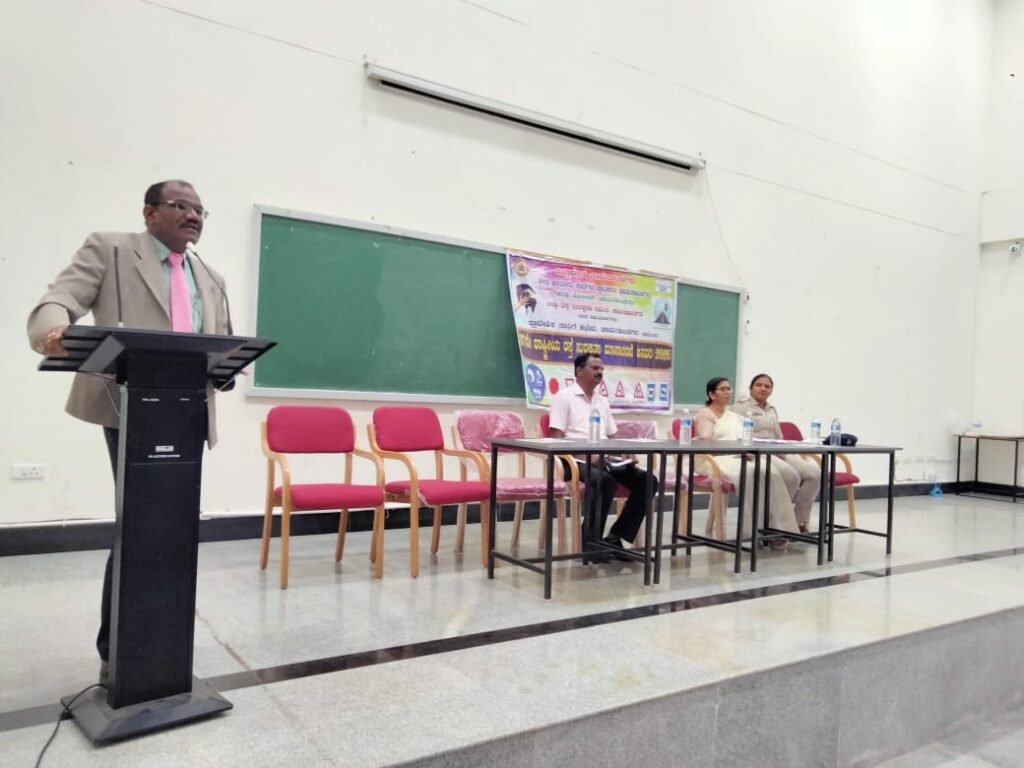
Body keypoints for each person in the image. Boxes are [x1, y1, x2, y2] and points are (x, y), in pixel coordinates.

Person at [26, 179, 232, 683]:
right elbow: (58, 300)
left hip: (188, 411)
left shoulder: (211, 275)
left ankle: (164, 646)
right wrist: (52, 330)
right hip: (129, 406)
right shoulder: (111, 249)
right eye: (180, 205)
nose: (193, 216)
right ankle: (118, 650)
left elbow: (223, 342)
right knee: (140, 522)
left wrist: (228, 366)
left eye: (200, 210)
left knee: (175, 526)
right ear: (149, 212)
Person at [548, 353, 657, 561]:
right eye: (595, 368)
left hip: (603, 459)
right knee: (604, 482)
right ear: (579, 371)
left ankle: (615, 537)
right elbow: (555, 440)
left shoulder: (602, 401)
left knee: (648, 480)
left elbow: (611, 436)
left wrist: (624, 453)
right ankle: (590, 544)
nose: (599, 372)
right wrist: (585, 454)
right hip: (574, 461)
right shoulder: (564, 397)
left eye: (601, 369)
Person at [694, 377, 799, 546]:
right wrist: (736, 451)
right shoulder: (705, 414)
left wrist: (745, 451)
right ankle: (752, 531)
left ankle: (778, 528)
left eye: (729, 389)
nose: (728, 392)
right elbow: (707, 442)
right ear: (712, 394)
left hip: (737, 456)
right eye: (723, 389)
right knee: (750, 473)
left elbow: (742, 440)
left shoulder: (734, 417)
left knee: (770, 472)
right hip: (715, 459)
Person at [733, 373, 821, 533]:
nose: (763, 389)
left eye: (767, 386)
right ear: (751, 388)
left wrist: (788, 449)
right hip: (757, 452)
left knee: (814, 473)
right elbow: (734, 434)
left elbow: (778, 436)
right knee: (790, 476)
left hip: (778, 450)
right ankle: (777, 524)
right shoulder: (741, 407)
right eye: (759, 385)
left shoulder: (771, 409)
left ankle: (798, 521)